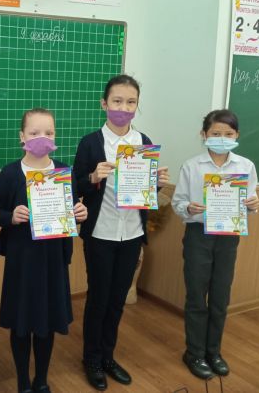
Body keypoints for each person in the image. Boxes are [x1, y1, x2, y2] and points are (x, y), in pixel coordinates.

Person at [72, 74, 169, 391]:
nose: (123, 108)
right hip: (100, 233)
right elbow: (74, 187)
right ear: (104, 103)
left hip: (132, 234)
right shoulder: (90, 142)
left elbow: (145, 194)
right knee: (98, 299)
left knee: (117, 300)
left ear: (137, 106)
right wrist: (92, 177)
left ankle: (108, 357)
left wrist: (155, 184)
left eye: (130, 102)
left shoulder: (143, 141)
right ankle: (91, 359)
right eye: (117, 101)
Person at [0, 108, 88, 393]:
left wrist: (80, 214)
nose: (41, 138)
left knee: (47, 321)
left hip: (53, 260)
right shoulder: (10, 173)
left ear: (55, 136)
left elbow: (71, 211)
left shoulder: (63, 172)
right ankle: (23, 380)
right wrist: (11, 216)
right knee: (21, 323)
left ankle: (41, 379)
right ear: (22, 136)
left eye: (48, 132)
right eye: (34, 133)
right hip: (22, 260)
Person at [172, 109, 259, 380]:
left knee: (221, 297)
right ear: (204, 134)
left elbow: (250, 202)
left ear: (237, 135)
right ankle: (194, 353)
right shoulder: (192, 166)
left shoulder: (245, 166)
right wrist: (188, 207)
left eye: (228, 134)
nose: (222, 138)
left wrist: (253, 204)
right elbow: (178, 202)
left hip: (228, 237)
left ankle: (214, 352)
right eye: (216, 133)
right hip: (198, 235)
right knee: (197, 296)